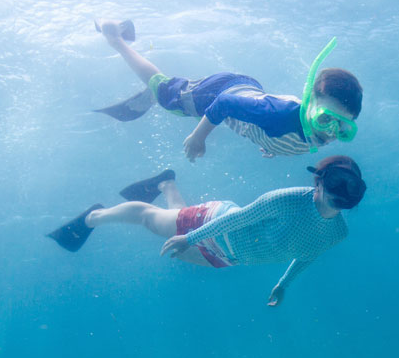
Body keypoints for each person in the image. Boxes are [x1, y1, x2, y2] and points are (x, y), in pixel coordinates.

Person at [46, 156, 367, 307]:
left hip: (231, 257)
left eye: (349, 191)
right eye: (337, 186)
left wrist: (283, 284)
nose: (341, 195)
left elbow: (306, 255)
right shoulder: (287, 200)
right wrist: (191, 236)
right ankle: (92, 217)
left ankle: (166, 182)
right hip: (215, 223)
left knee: (175, 248)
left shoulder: (338, 233)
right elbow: (239, 220)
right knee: (151, 220)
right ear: (318, 182)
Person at [94, 20, 363, 161]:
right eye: (326, 119)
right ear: (310, 102)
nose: (331, 133)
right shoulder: (280, 115)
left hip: (246, 90)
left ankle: (175, 88)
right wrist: (198, 138)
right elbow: (224, 103)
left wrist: (272, 146)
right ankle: (115, 37)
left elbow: (289, 134)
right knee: (170, 100)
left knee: (184, 96)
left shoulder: (310, 132)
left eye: (343, 129)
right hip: (222, 93)